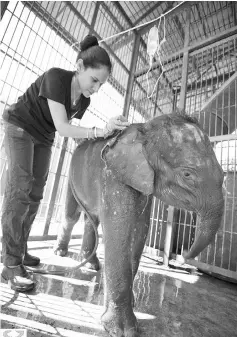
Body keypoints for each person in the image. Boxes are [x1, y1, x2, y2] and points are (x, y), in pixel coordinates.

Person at [1, 35, 130, 292]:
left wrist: (102, 137)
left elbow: (72, 129)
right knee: (20, 189)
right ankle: (10, 263)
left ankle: (21, 250)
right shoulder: (56, 77)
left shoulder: (83, 100)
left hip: (43, 137)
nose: (96, 88)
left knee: (36, 194)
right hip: (20, 127)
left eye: (101, 85)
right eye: (94, 80)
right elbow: (63, 126)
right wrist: (99, 131)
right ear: (80, 67)